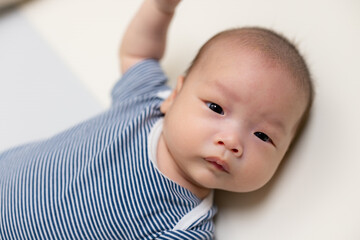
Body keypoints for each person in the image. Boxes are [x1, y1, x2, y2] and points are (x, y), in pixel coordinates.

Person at [0, 0, 313, 239]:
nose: (231, 142)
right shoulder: (148, 100)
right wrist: (159, 9)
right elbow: (138, 55)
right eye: (216, 108)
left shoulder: (187, 227)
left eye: (263, 136)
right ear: (174, 96)